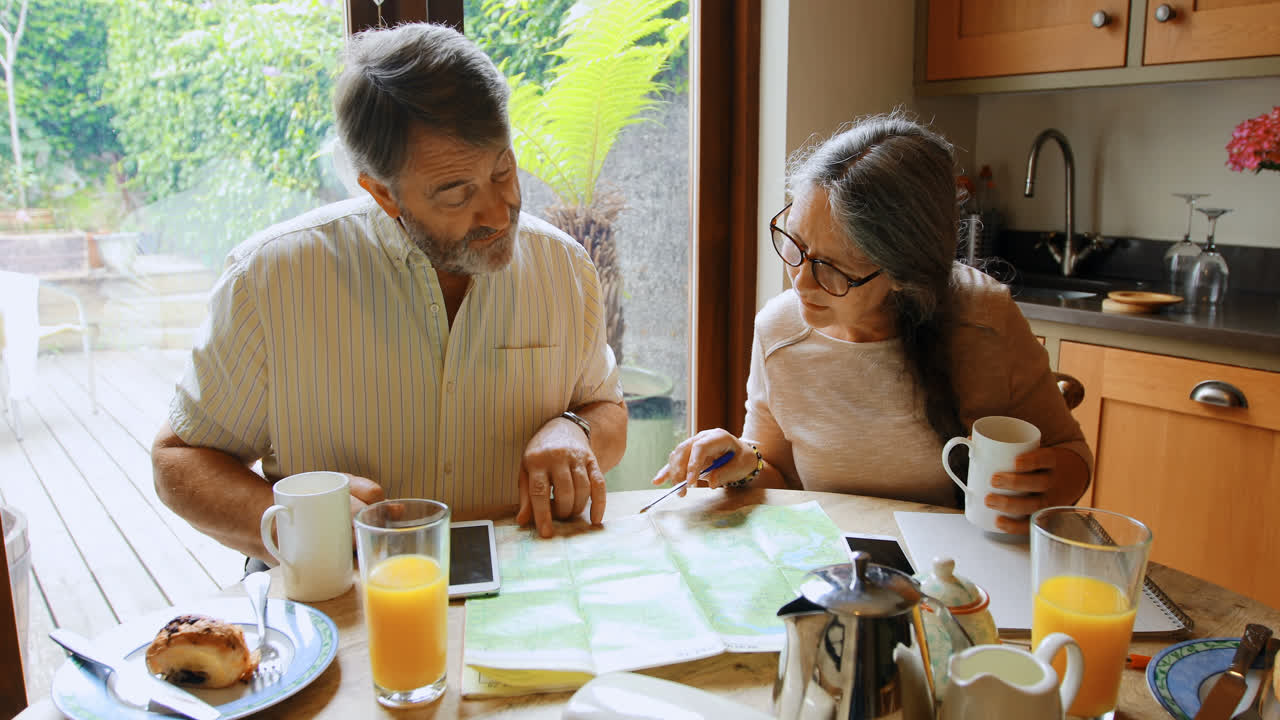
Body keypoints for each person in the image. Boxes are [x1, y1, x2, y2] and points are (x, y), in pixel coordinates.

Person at [151, 23, 627, 566]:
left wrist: (575, 428)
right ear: (382, 193)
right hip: (346, 591)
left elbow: (606, 408)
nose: (499, 213)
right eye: (456, 194)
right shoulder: (268, 281)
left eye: (503, 171)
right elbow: (178, 460)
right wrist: (298, 525)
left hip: (530, 583)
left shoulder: (564, 266)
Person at [652, 113, 1090, 534]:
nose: (801, 282)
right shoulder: (779, 331)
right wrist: (743, 462)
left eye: (831, 267)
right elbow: (779, 477)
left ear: (904, 272)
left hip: (954, 568)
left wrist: (1041, 486)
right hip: (830, 567)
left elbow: (1072, 455)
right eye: (795, 243)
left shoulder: (983, 318)